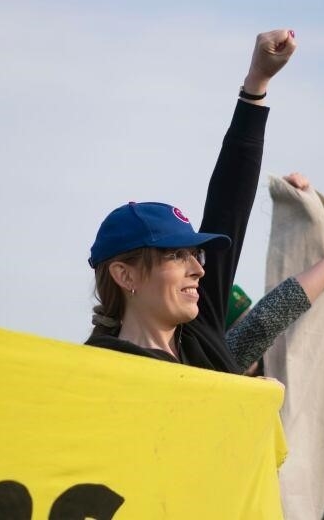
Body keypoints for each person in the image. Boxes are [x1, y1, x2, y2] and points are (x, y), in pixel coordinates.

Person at [85, 29, 297, 373]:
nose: (199, 268)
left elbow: (230, 202)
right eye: (176, 255)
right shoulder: (92, 371)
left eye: (194, 254)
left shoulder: (202, 334)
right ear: (125, 275)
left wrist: (257, 82)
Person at [225, 172, 324, 374]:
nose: (196, 270)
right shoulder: (207, 362)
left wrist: (295, 216)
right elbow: (262, 325)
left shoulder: (209, 294)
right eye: (176, 255)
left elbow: (273, 323)